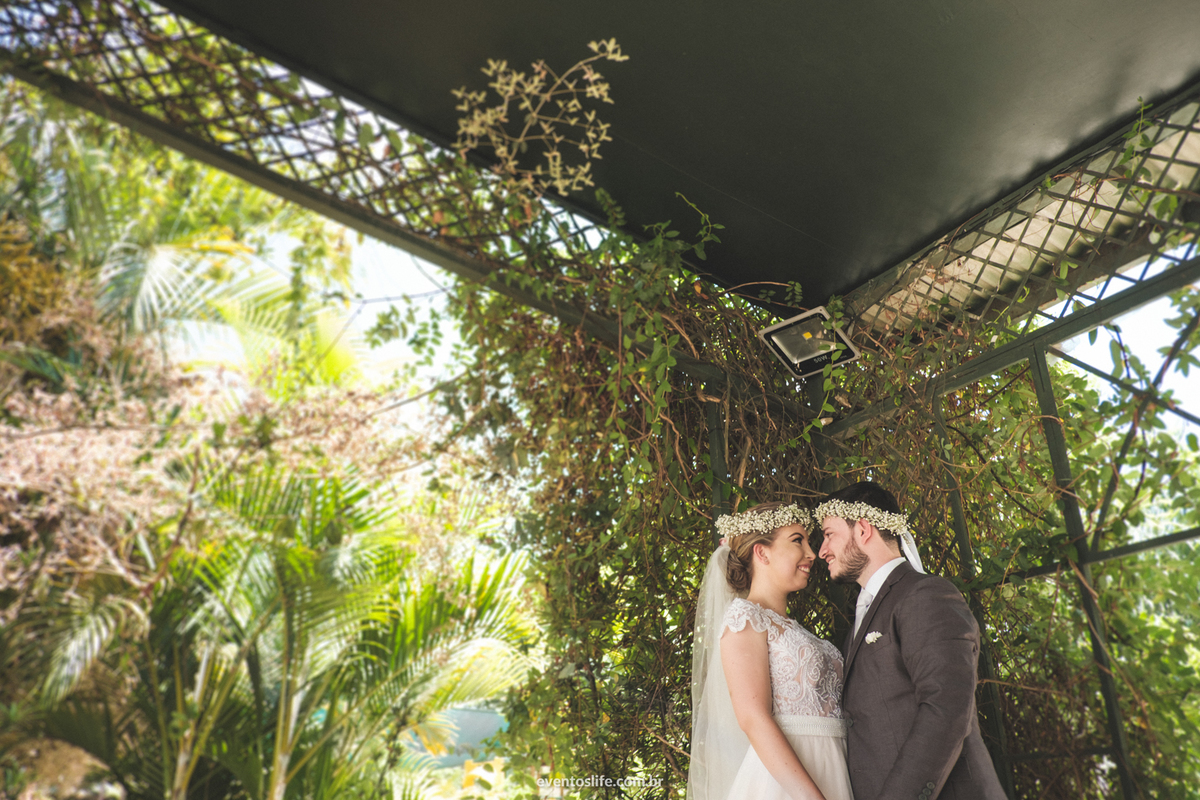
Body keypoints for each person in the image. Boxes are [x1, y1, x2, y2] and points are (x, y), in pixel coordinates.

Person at [815, 482, 1006, 800]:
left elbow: (945, 708)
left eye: (828, 534)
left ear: (863, 530)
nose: (822, 551)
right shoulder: (863, 615)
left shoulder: (925, 595)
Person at [688, 502, 853, 800]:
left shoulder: (794, 629)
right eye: (797, 541)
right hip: (784, 785)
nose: (812, 554)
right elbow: (753, 717)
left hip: (834, 766)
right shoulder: (745, 618)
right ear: (761, 552)